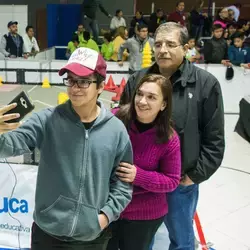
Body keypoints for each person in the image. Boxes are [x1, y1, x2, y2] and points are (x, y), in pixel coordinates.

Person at [0, 47, 133, 250]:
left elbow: (123, 183)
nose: (74, 88)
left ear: (100, 87)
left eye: (83, 81)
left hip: (93, 237)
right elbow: (10, 146)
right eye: (70, 80)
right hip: (47, 235)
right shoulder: (46, 120)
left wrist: (105, 216)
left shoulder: (116, 131)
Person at [119, 22, 225, 250]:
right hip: (140, 183)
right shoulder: (137, 81)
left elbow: (214, 139)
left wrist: (194, 176)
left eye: (170, 44)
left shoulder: (205, 84)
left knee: (181, 240)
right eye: (158, 44)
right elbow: (120, 131)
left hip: (180, 183)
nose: (163, 50)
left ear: (186, 47)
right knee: (138, 242)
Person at [107, 74, 181, 250]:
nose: (141, 101)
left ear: (163, 105)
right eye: (139, 94)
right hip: (108, 208)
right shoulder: (115, 118)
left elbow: (172, 181)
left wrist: (138, 175)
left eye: (151, 97)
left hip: (143, 216)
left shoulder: (169, 139)